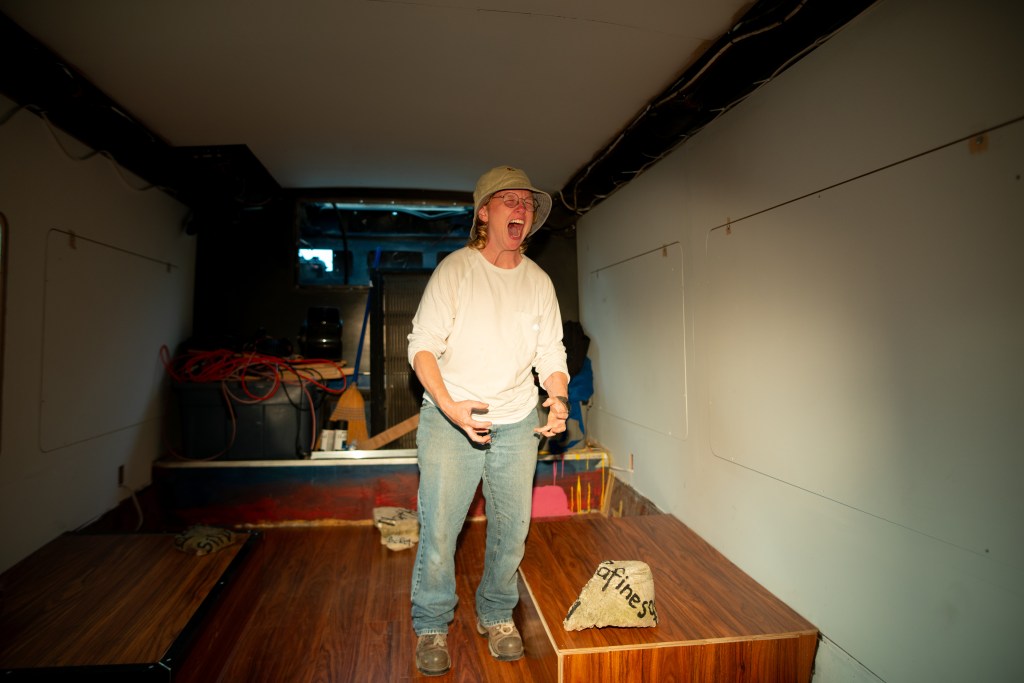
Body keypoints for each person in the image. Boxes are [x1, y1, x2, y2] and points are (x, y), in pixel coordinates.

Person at [407, 165, 570, 676]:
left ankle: (497, 614)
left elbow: (552, 352)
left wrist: (558, 398)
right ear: (484, 213)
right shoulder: (455, 271)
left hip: (518, 420)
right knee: (440, 530)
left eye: (527, 203)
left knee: (511, 530)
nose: (521, 209)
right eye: (510, 200)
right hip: (450, 418)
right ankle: (431, 624)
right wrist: (449, 405)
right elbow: (422, 345)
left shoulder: (538, 282)